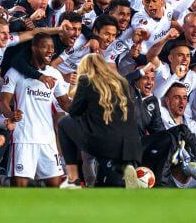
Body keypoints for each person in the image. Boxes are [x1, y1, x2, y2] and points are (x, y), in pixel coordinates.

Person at [58, 53, 142, 188]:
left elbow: (74, 111)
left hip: (104, 143)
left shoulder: (86, 80)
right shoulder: (122, 82)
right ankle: (125, 167)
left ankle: (72, 179)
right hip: (132, 147)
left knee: (63, 123)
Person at [0, 33, 72, 187]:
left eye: (52, 47)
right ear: (33, 48)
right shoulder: (15, 72)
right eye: (45, 46)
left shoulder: (54, 74)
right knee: (19, 188)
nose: (50, 51)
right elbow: (3, 103)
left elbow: (65, 103)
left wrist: (85, 110)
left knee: (56, 185)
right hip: (23, 138)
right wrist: (11, 114)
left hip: (48, 140)